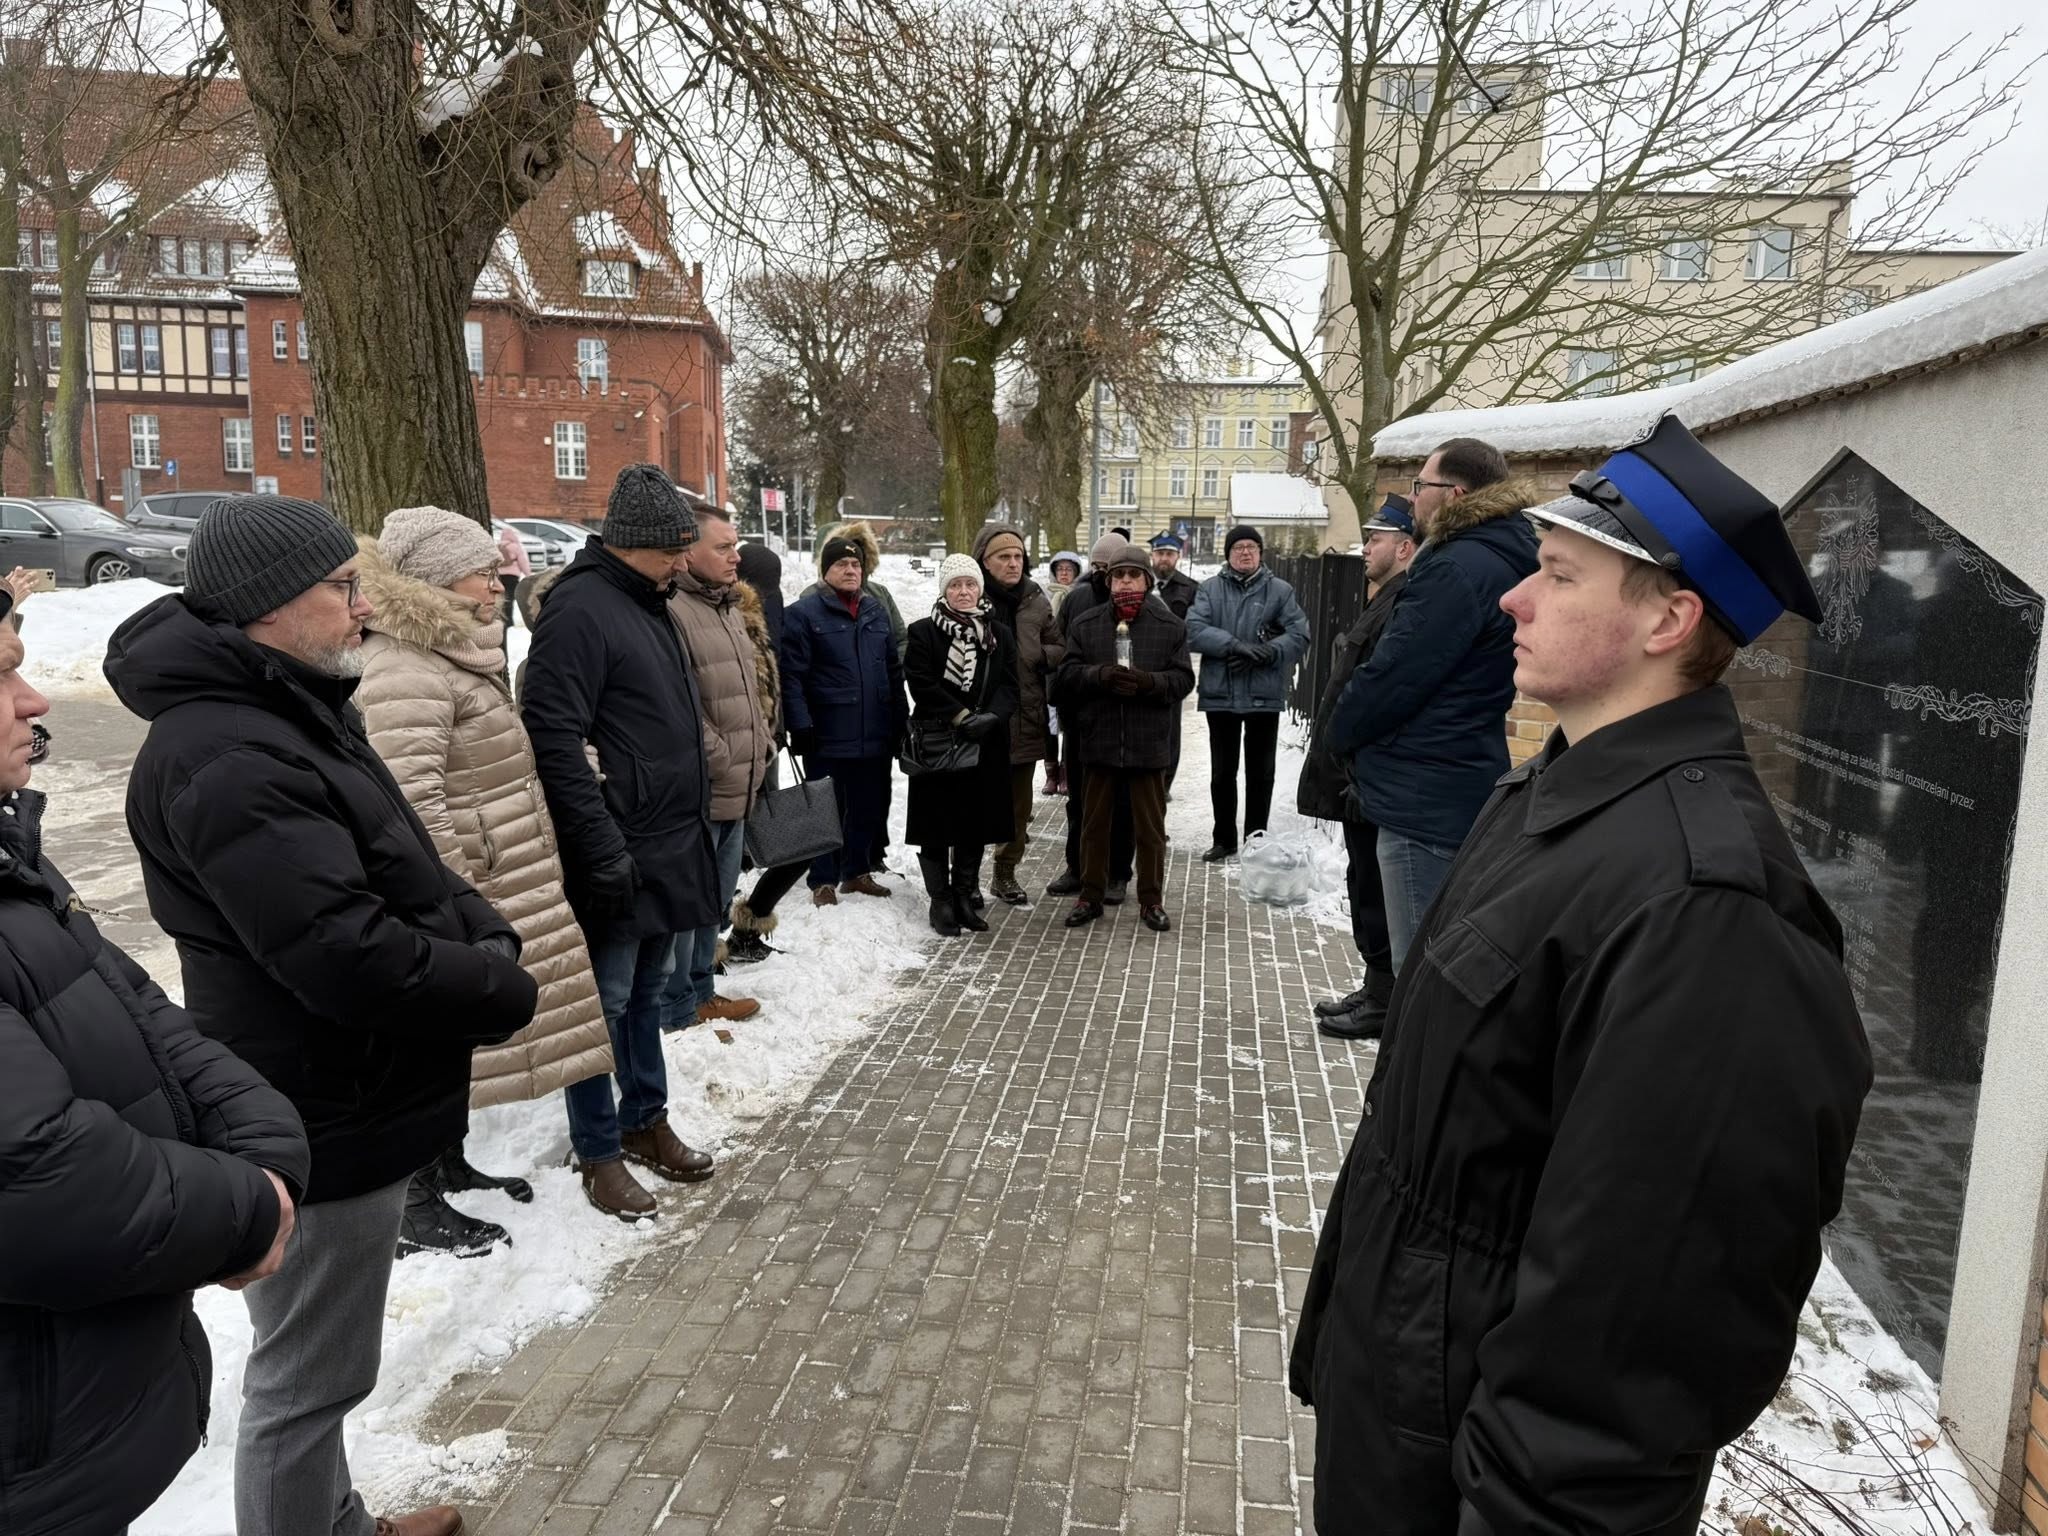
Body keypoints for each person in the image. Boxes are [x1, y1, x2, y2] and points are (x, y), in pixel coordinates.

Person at [1291, 415, 1873, 1536]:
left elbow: (1640, 1344)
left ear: (1668, 618)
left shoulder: (1707, 911)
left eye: (1555, 577)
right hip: (1407, 1414)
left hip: (1478, 1474)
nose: (1512, 598)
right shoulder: (1549, 795)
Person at [107, 493, 537, 1536]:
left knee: (323, 1368)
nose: (361, 610)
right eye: (341, 590)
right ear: (266, 607)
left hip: (347, 1089)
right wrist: (494, 985)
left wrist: (480, 928)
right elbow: (342, 956)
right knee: (308, 1380)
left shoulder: (284, 705)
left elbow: (405, 860)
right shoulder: (230, 753)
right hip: (320, 1105)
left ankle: (333, 1519)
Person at [0, 620, 310, 1536]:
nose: (37, 700)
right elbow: (37, 1177)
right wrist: (247, 1207)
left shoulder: (11, 852)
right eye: (6, 674)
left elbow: (136, 1006)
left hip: (72, 1412)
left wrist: (261, 1140)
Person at [353, 507, 616, 1245]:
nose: (500, 581)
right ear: (439, 580)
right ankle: (414, 1198)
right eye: (482, 570)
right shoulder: (404, 666)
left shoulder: (449, 651)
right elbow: (411, 803)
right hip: (469, 886)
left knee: (461, 1040)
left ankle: (451, 1163)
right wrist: (455, 902)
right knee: (436, 1042)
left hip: (503, 871)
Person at [521, 465, 722, 1217]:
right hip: (619, 843)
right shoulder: (580, 611)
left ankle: (647, 1119)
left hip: (667, 838)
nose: (682, 561)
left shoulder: (648, 598)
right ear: (632, 544)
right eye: (673, 549)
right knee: (599, 1005)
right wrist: (599, 845)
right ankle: (598, 1149)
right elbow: (553, 736)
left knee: (643, 994)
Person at [1326, 437, 1538, 972]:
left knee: (1419, 971)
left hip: (1424, 791)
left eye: (1422, 485)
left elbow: (1395, 677)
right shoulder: (1500, 552)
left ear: (1456, 494)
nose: (1414, 496)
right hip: (1451, 772)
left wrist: (1340, 729)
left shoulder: (1456, 566)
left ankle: (1408, 1057)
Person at [1297, 494, 1418, 1039]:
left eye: (1376, 538)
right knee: (1362, 880)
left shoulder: (1404, 602)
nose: (1365, 547)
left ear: (1406, 546)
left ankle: (1385, 997)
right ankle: (1376, 986)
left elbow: (1381, 692)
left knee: (1376, 886)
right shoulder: (1385, 597)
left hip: (1369, 773)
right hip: (1355, 774)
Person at [661, 506, 773, 1026]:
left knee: (716, 898)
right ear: (687, 552)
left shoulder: (727, 605)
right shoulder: (674, 611)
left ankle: (702, 990)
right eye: (723, 547)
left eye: (736, 545)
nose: (736, 556)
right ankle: (677, 1002)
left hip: (738, 783)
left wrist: (761, 743)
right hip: (705, 786)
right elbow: (680, 706)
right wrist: (723, 757)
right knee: (690, 903)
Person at [1053, 537, 1193, 932]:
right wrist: (1097, 676)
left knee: (1150, 830)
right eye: (1119, 577)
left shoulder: (1169, 626)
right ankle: (1090, 895)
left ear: (1147, 581)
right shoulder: (1086, 624)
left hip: (1148, 744)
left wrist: (1150, 683)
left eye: (1134, 576)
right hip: (1099, 741)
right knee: (1093, 825)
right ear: (1108, 582)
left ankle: (1151, 900)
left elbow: (1184, 679)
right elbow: (1064, 677)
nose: (1126, 583)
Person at [782, 532, 909, 905]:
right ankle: (822, 879)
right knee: (825, 807)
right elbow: (792, 675)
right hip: (826, 731)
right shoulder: (803, 614)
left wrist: (900, 719)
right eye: (841, 564)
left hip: (874, 730)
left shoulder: (875, 611)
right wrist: (799, 724)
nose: (850, 570)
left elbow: (892, 670)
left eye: (856, 564)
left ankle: (856, 872)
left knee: (867, 805)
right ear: (825, 571)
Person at [903, 555, 1017, 934]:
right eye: (955, 585)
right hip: (938, 741)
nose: (964, 592)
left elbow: (1011, 684)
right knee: (936, 824)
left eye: (970, 584)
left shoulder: (999, 632)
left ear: (979, 589)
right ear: (944, 590)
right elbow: (920, 682)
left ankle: (965, 897)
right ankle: (942, 902)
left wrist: (991, 717)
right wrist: (960, 715)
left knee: (974, 823)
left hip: (985, 741)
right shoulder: (922, 632)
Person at [1184, 525, 1310, 863]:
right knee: (1222, 772)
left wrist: (1268, 652)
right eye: (1238, 547)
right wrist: (1235, 647)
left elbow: (1300, 634)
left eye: (1252, 547)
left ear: (1260, 554)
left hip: (1263, 694)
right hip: (1221, 693)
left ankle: (1256, 838)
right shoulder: (1209, 590)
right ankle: (1223, 838)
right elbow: (1194, 630)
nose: (1245, 552)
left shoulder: (1280, 592)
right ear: (1228, 553)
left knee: (1261, 773)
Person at [973, 524, 1063, 906]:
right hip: (981, 722)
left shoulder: (1035, 599)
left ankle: (1004, 873)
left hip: (1026, 717)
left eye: (1018, 557)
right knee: (973, 806)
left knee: (1018, 809)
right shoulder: (968, 596)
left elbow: (1059, 646)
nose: (1013, 563)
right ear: (985, 562)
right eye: (1003, 557)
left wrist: (1037, 657)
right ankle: (963, 878)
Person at [1048, 533, 1138, 901]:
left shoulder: (1142, 603)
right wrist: (1063, 705)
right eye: (1099, 567)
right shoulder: (1077, 598)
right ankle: (1078, 867)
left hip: (1126, 722)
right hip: (1082, 717)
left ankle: (1118, 872)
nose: (1106, 575)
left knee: (1122, 801)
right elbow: (1061, 653)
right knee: (1080, 801)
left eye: (1112, 569)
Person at [1041, 549, 1084, 795]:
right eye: (1060, 569)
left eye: (1069, 569)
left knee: (1068, 719)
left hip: (1071, 663)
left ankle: (1067, 772)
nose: (1064, 573)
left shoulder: (1080, 596)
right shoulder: (1044, 596)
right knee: (1048, 720)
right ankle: (1051, 774)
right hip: (1050, 663)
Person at [1147, 531, 1200, 618]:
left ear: (1178, 556)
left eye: (1169, 554)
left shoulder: (1191, 588)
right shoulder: (1141, 583)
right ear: (1152, 556)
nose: (1164, 558)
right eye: (1160, 553)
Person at [494, 521, 530, 628]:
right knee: (509, 598)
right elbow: (522, 562)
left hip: (499, 576)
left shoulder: (497, 546)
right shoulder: (516, 547)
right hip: (512, 577)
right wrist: (528, 574)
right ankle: (509, 621)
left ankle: (500, 618)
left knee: (500, 599)